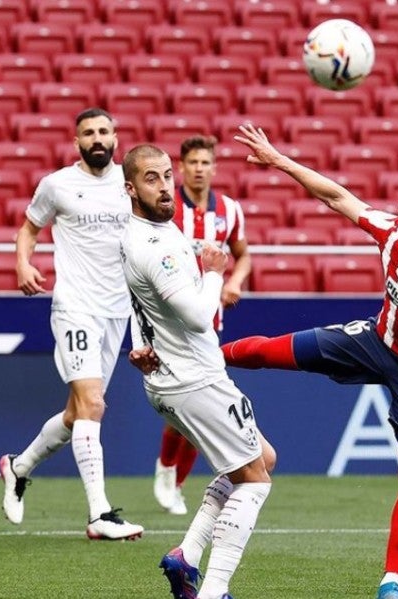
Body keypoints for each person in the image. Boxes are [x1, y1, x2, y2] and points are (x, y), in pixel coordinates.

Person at [221, 124, 398, 599]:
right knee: (266, 351)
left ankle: (391, 583)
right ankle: (198, 361)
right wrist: (279, 160)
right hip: (373, 341)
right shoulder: (389, 236)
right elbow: (337, 197)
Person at [121, 143, 272, 599]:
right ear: (130, 187)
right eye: (152, 178)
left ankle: (186, 556)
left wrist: (139, 344)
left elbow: (137, 300)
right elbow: (196, 316)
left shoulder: (141, 233)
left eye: (167, 175)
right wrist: (213, 273)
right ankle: (215, 590)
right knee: (256, 481)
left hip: (173, 377)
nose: (165, 186)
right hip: (196, 379)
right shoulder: (155, 245)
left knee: (262, 458)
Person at [0, 107, 144, 540]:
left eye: (103, 131)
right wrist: (23, 263)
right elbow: (29, 228)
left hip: (117, 310)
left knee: (76, 411)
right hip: (75, 305)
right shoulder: (58, 185)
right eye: (88, 133)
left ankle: (17, 467)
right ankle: (99, 515)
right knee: (93, 404)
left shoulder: (130, 184)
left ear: (116, 137)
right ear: (76, 140)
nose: (97, 138)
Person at [154, 135, 252, 516]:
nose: (198, 168)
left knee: (204, 409)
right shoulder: (166, 207)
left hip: (210, 323)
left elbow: (242, 256)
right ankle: (166, 468)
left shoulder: (229, 210)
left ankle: (174, 482)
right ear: (181, 167)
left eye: (205, 162)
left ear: (214, 167)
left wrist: (234, 282)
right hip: (170, 320)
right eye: (192, 162)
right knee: (181, 408)